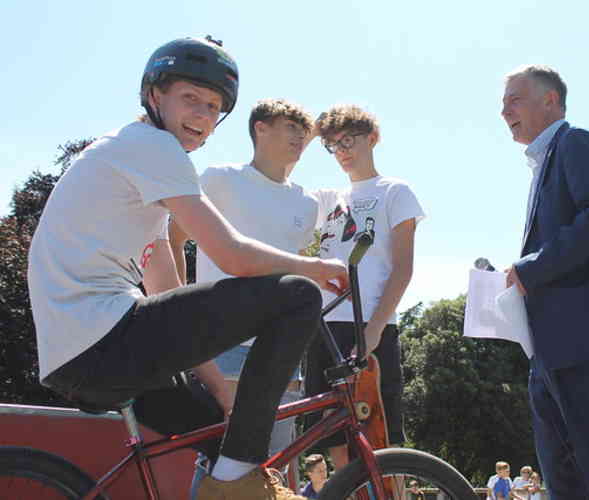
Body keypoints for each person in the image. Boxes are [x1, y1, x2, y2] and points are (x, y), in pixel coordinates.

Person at [27, 36, 348, 500]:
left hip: (82, 354)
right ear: (155, 96)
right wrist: (316, 266)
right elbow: (233, 254)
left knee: (220, 433)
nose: (201, 115)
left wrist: (220, 388)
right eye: (190, 99)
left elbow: (163, 286)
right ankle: (238, 482)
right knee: (297, 295)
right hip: (104, 338)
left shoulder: (137, 159)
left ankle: (237, 475)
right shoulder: (153, 147)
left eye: (213, 106)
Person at [500, 64, 589, 500]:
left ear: (551, 100)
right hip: (550, 343)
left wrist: (530, 268)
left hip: (583, 334)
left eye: (514, 100)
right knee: (561, 468)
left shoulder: (576, 142)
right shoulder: (544, 162)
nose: (504, 111)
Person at [166, 98, 319, 497]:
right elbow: (173, 238)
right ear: (260, 129)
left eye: (304, 132)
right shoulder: (219, 179)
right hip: (223, 344)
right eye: (290, 127)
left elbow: (294, 268)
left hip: (282, 348)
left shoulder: (308, 202)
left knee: (274, 463)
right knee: (220, 459)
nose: (300, 137)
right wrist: (180, 304)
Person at [304, 105, 425, 469]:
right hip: (324, 328)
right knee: (334, 441)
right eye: (333, 146)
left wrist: (372, 331)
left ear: (373, 138)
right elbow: (283, 176)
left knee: (383, 442)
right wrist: (315, 132)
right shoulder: (327, 198)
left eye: (348, 141)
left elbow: (403, 268)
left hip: (372, 326)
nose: (341, 151)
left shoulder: (395, 191)